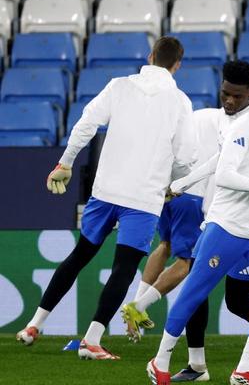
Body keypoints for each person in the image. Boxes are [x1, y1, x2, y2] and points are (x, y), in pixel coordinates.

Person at [16, 36, 196, 359]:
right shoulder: (180, 102)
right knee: (124, 268)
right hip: (143, 198)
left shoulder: (119, 86)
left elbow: (86, 124)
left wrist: (65, 163)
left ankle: (33, 324)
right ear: (177, 65)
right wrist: (172, 184)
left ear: (150, 56)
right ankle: (92, 340)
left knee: (79, 255)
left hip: (106, 191)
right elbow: (185, 157)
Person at [121, 61, 249, 381]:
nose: (229, 100)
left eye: (236, 95)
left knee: (238, 301)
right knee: (195, 289)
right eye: (225, 93)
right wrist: (180, 184)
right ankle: (193, 364)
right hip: (221, 221)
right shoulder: (233, 125)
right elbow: (221, 166)